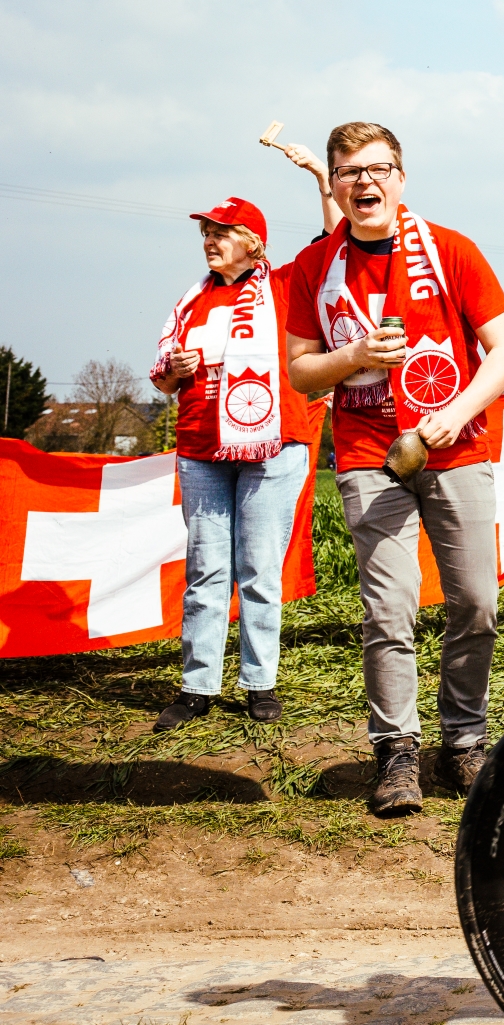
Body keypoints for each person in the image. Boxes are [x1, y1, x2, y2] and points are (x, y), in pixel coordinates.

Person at [284, 121, 504, 817]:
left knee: (476, 601)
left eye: (378, 168)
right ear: (333, 184)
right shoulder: (313, 267)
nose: (366, 181)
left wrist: (456, 413)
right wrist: (354, 355)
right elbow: (302, 373)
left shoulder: (450, 249)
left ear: (401, 177)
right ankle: (395, 751)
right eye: (350, 171)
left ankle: (465, 739)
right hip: (365, 450)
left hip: (455, 443)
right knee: (388, 607)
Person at [147, 199, 315, 731]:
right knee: (205, 571)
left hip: (276, 443)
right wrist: (175, 368)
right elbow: (164, 379)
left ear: (253, 240)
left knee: (260, 567)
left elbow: (336, 236)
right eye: (206, 233)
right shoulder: (191, 301)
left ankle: (259, 684)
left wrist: (317, 174)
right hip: (201, 447)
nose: (209, 241)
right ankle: (197, 687)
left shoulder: (289, 285)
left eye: (221, 232)